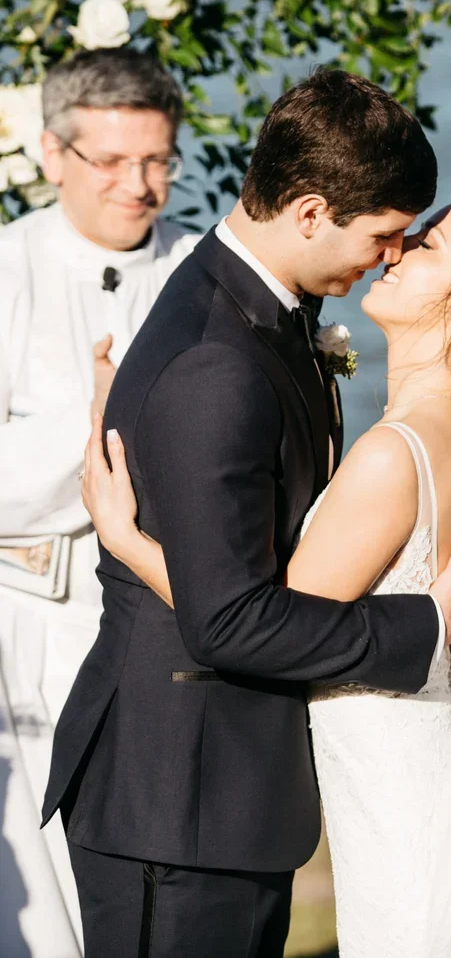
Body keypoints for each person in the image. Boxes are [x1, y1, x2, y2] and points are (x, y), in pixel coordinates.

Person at [81, 190, 451, 957]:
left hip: (411, 841)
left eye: (429, 245)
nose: (397, 249)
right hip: (412, 814)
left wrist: (128, 537)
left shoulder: (394, 453)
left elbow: (260, 623)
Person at [42, 70, 451, 958]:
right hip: (174, 807)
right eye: (381, 233)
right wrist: (429, 625)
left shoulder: (266, 307)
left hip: (223, 796)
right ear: (309, 210)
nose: (391, 254)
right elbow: (228, 620)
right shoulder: (220, 362)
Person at [0, 48, 198, 955]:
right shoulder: (9, 267)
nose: (140, 185)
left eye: (158, 159)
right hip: (23, 633)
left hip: (164, 633)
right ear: (51, 153)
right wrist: (95, 427)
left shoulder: (199, 274)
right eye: (112, 162)